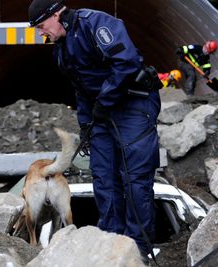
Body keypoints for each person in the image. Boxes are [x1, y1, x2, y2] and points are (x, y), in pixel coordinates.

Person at [28, 0, 162, 261]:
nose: (40, 33)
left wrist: (104, 102)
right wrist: (86, 123)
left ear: (56, 14)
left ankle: (138, 251)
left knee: (134, 180)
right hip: (101, 114)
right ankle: (110, 246)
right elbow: (81, 89)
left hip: (133, 106)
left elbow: (126, 64)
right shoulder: (61, 48)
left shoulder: (95, 24)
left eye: (41, 26)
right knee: (103, 178)